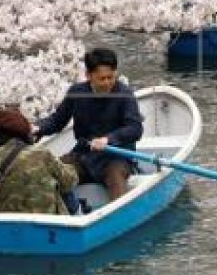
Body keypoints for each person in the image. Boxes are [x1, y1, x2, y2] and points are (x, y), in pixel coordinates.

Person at [33, 48, 143, 201]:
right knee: (49, 174)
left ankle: (115, 216)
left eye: (110, 77)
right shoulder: (77, 92)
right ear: (88, 75)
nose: (107, 83)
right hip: (84, 156)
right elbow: (57, 121)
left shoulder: (125, 94)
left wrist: (108, 140)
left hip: (116, 157)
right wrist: (38, 129)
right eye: (101, 78)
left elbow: (135, 129)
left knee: (116, 179)